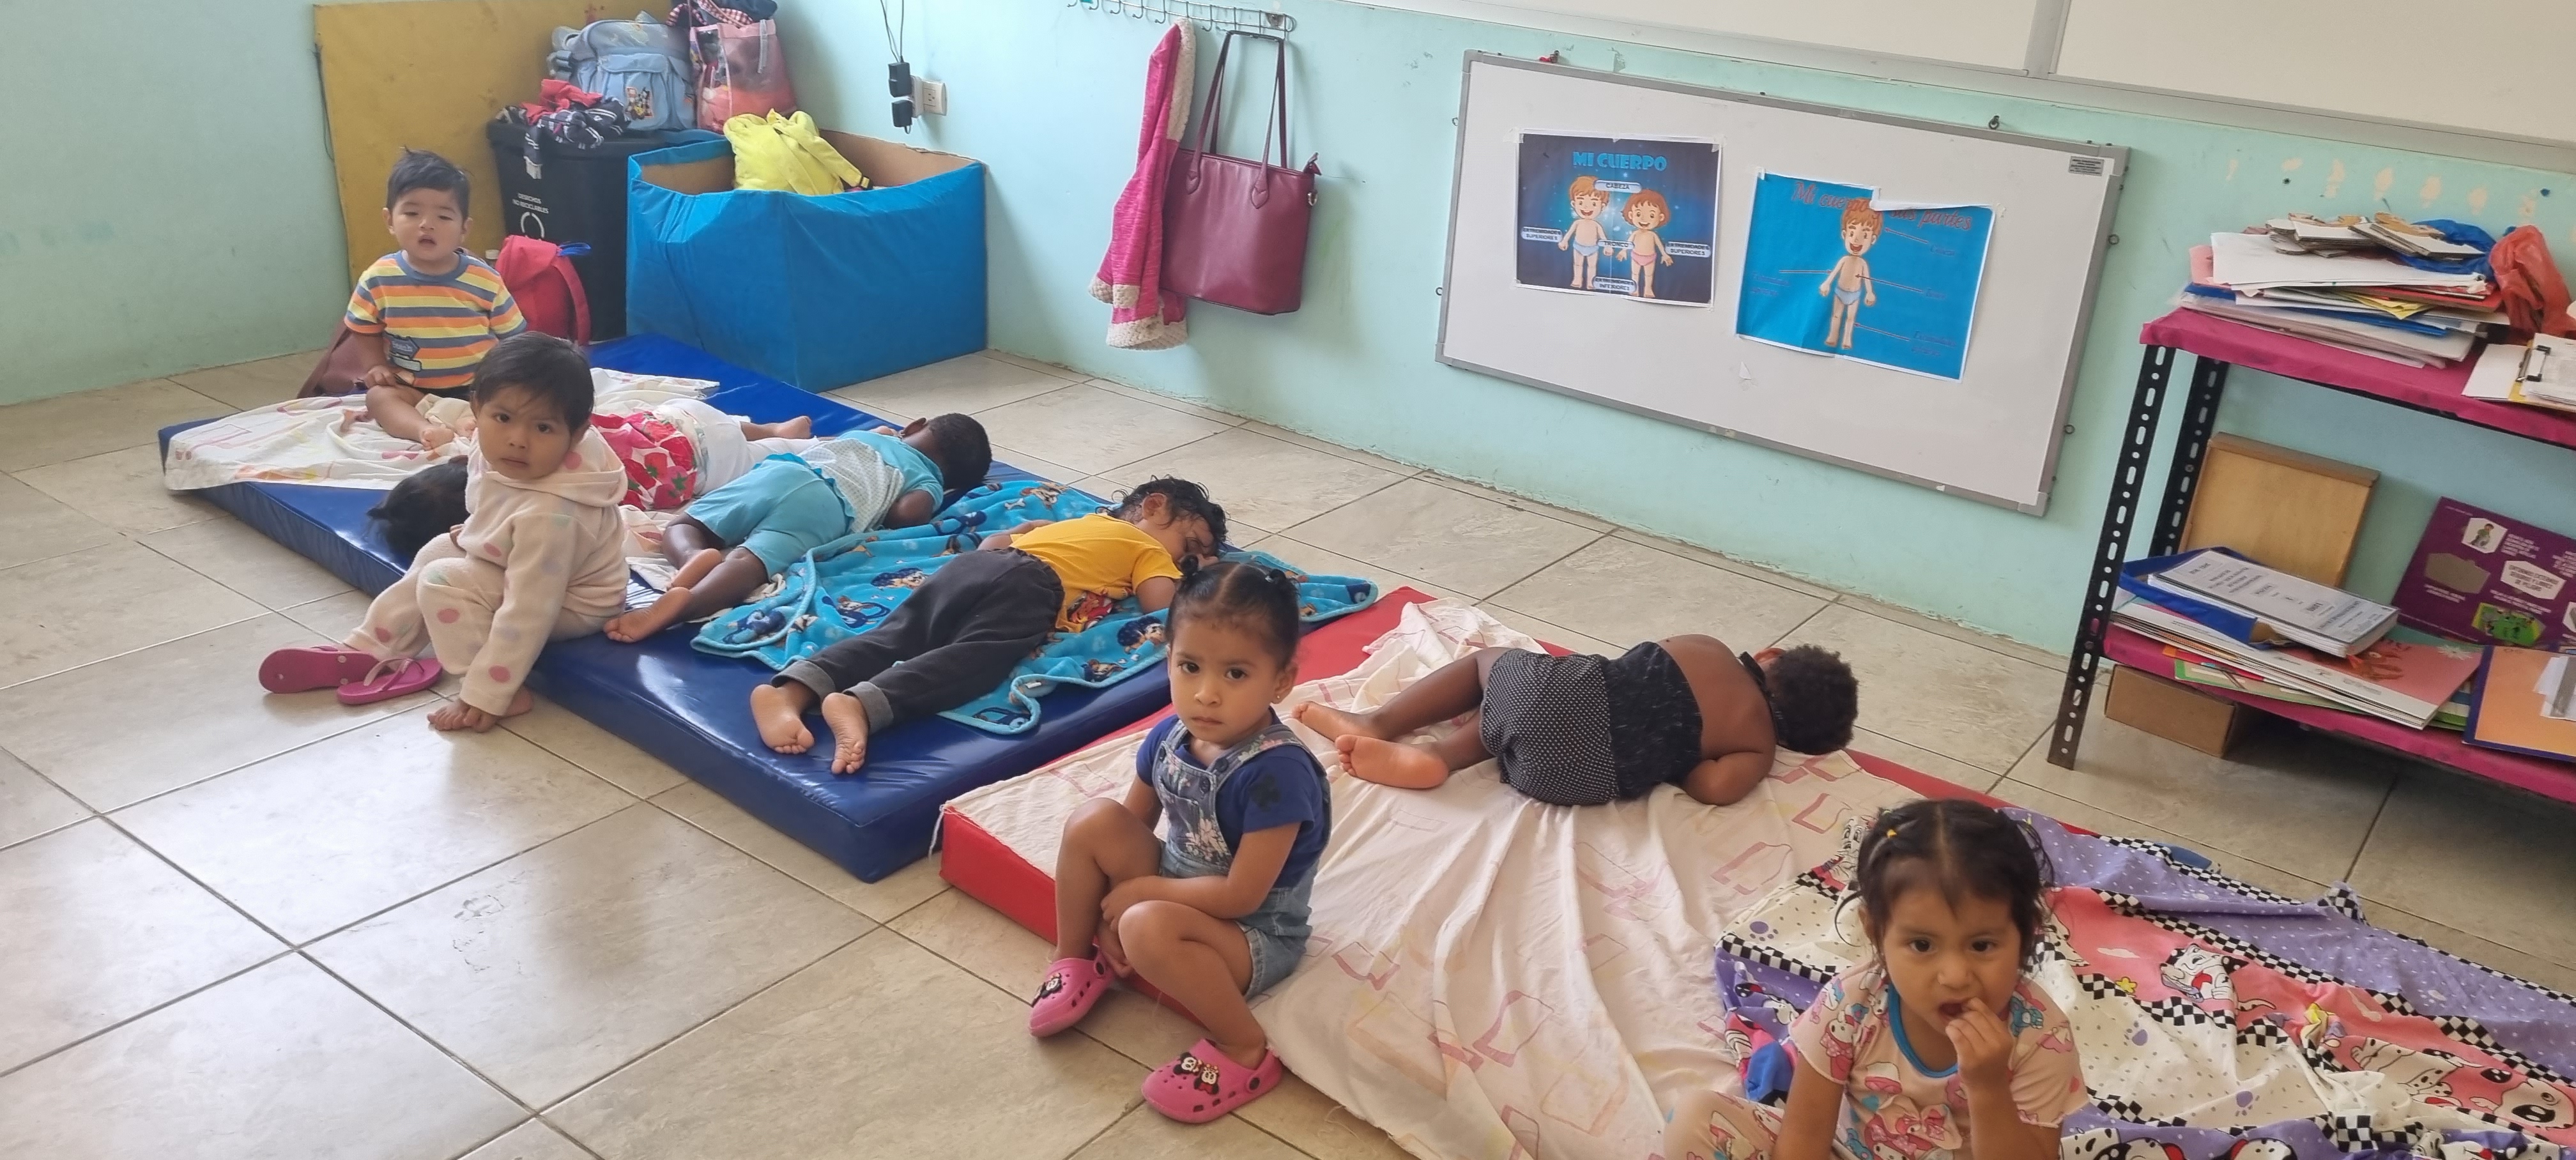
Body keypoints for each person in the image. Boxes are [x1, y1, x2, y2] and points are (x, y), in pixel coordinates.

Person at [1027, 561, 1326, 1123]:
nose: (1206, 695)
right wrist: (1113, 912)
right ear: (1169, 659)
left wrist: (1140, 895)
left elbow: (1242, 896)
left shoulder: (1277, 774)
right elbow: (1131, 826)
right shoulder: (1170, 736)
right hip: (1178, 882)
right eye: (1190, 667)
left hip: (1252, 933)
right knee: (1094, 820)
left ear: (1281, 681)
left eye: (1235, 674)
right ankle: (1075, 956)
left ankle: (1244, 1046)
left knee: (1147, 924)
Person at [1662, 798, 2085, 1160]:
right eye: (1922, 945)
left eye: (1982, 945)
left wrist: (1989, 1088)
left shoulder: (2041, 1039)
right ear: (1876, 933)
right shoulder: (1852, 1004)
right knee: (1696, 1119)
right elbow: (1804, 1138)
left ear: (2026, 934)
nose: (1956, 977)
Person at [257, 334, 628, 732]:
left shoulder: (553, 515)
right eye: (503, 418)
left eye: (543, 427)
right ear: (477, 407)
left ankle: (497, 692)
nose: (518, 440)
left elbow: (531, 609)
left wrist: (489, 692)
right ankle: (372, 648)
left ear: (577, 433)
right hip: (529, 564)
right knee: (437, 549)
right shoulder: (498, 449)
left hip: (574, 602)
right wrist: (479, 531)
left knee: (445, 581)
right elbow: (494, 502)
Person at [749, 477, 1227, 773]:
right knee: (975, 659)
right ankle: (863, 704)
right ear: (1154, 507)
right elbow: (1158, 606)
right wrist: (1196, 577)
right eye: (1189, 546)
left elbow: (997, 542)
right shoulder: (1147, 548)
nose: (1185, 560)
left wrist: (1011, 545)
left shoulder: (1081, 523)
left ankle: (791, 691)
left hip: (979, 565)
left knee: (900, 633)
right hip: (1033, 586)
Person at [1298, 636, 1856, 808]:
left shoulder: (1708, 648)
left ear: (1769, 655)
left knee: (1495, 669)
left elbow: (1632, 666)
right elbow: (1713, 787)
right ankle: (1436, 758)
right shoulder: (1757, 747)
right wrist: (1684, 754)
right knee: (1542, 717)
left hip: (1555, 699)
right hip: (1574, 780)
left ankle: (1380, 722)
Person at [601, 413, 992, 641]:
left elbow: (833, 444)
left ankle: (692, 556)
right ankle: (681, 607)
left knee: (687, 523)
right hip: (829, 507)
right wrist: (930, 493)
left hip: (785, 472)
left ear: (915, 425)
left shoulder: (864, 435)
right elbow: (906, 515)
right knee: (749, 563)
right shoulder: (928, 480)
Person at [344, 150, 528, 445]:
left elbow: (514, 337)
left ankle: (472, 422)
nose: (426, 224)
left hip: (477, 387)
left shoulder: (484, 279)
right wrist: (375, 365)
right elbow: (362, 326)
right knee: (379, 398)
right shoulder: (379, 277)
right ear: (390, 220)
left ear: (464, 228)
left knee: (518, 397)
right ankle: (424, 430)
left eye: (443, 216)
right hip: (412, 388)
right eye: (412, 214)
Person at [409, 393, 816, 506]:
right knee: (702, 425)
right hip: (674, 419)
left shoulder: (549, 504)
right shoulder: (497, 444)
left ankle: (803, 444)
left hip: (708, 461)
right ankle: (772, 429)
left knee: (771, 458)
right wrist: (455, 431)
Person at [1820, 199, 1882, 350]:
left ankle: (1847, 339)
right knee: (1836, 315)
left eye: (1865, 235)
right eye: (1852, 233)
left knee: (1850, 318)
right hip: (1840, 292)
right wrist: (1826, 283)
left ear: (1873, 239)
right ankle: (1833, 336)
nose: (1856, 240)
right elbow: (1834, 273)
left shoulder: (1863, 263)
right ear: (1845, 234)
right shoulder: (1844, 260)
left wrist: (1870, 292)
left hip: (1855, 294)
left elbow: (1866, 279)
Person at [1560, 174, 1613, 289]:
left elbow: (1603, 237)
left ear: (1602, 207)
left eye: (1594, 204)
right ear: (1574, 204)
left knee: (1592, 267)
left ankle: (1591, 282)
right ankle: (1577, 279)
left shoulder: (1596, 225)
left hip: (1592, 249)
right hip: (1578, 247)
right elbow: (1569, 233)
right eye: (1581, 203)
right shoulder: (1577, 223)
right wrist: (1564, 241)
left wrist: (1608, 246)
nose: (1586, 208)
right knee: (1577, 264)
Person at [1624, 188, 1676, 300]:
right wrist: (1623, 251)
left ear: (1661, 217)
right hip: (1636, 256)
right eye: (1638, 214)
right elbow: (1628, 243)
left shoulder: (1653, 235)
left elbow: (1659, 245)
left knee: (1649, 275)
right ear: (1631, 215)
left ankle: (1648, 289)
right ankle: (1634, 289)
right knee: (1635, 274)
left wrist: (1665, 255)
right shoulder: (1635, 233)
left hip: (1650, 258)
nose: (1644, 219)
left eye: (1652, 215)